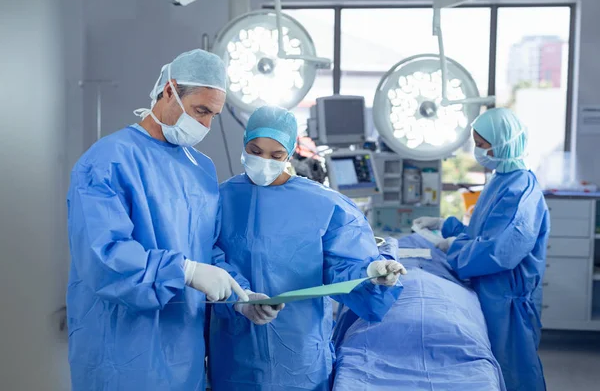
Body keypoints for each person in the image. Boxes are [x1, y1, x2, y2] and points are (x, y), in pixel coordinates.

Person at [66, 49, 251, 391]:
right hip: (123, 351)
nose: (206, 125)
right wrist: (186, 271)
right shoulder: (107, 161)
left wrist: (239, 295)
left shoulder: (201, 169)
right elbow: (103, 255)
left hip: (186, 353)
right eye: (200, 111)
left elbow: (207, 249)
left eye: (214, 115)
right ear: (169, 91)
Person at [208, 105, 406, 391]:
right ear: (244, 144)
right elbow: (208, 256)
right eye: (255, 150)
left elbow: (341, 268)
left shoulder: (323, 204)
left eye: (276, 155)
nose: (264, 161)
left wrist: (371, 271)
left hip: (299, 356)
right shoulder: (219, 198)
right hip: (234, 352)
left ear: (289, 153)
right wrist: (241, 297)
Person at [414, 108, 549, 391]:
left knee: (513, 372)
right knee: (492, 369)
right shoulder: (501, 179)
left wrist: (453, 249)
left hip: (507, 300)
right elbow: (482, 234)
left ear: (503, 142)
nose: (477, 151)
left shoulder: (521, 190)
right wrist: (447, 226)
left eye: (481, 145)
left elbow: (499, 251)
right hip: (490, 291)